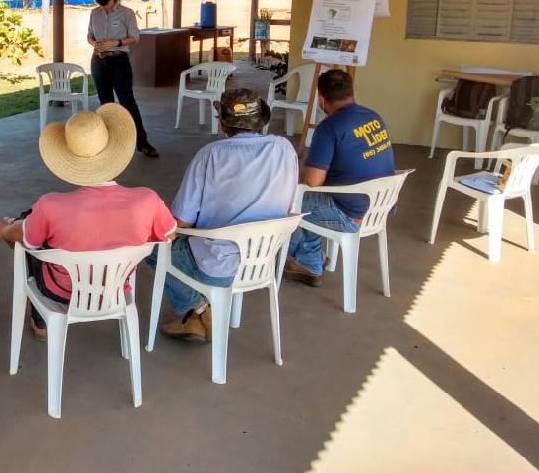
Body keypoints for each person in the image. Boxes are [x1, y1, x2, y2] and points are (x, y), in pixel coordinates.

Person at [0, 104, 175, 339]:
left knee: (27, 237)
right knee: (30, 227)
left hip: (61, 292)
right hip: (115, 289)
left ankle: (41, 323)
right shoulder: (148, 200)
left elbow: (27, 241)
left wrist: (3, 229)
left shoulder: (51, 205)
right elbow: (169, 236)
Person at [152, 89, 298, 342]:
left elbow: (181, 222)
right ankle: (202, 312)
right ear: (261, 121)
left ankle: (199, 312)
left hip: (217, 265)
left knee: (155, 247)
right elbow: (287, 206)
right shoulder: (284, 148)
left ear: (223, 123)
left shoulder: (210, 155)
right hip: (262, 258)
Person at [284, 69, 395, 287]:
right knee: (308, 198)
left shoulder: (329, 127)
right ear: (353, 92)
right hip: (380, 208)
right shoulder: (373, 116)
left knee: (292, 199)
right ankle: (303, 254)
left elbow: (313, 182)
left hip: (350, 215)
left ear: (321, 100)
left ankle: (308, 261)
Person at [87, 0, 159, 158]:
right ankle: (110, 142)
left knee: (127, 102)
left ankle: (142, 142)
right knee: (106, 104)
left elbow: (135, 37)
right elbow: (89, 35)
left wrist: (115, 43)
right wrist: (94, 43)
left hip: (119, 61)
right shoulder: (94, 13)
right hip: (98, 62)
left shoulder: (127, 13)